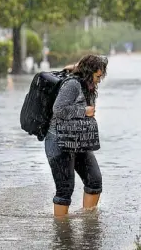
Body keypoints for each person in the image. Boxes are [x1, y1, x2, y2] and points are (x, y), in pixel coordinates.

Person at [45, 54, 108, 217]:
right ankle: (61, 231)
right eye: (98, 76)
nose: (99, 80)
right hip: (59, 140)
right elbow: (58, 110)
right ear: (89, 73)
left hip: (79, 140)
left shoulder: (89, 86)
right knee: (65, 189)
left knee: (94, 180)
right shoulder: (72, 85)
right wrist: (84, 111)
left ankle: (89, 222)